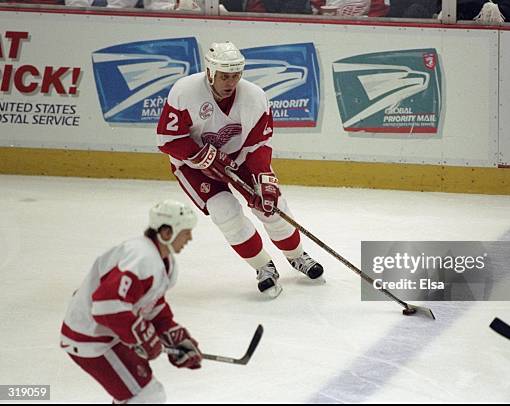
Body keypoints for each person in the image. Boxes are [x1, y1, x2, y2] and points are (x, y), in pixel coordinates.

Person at [156, 41, 324, 298]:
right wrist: (207, 157)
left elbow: (258, 144)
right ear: (210, 72)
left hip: (240, 157)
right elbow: (168, 140)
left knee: (271, 206)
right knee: (225, 212)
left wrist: (263, 180)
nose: (231, 82)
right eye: (224, 76)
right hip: (193, 165)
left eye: (236, 75)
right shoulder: (185, 91)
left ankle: (297, 256)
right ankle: (263, 267)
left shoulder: (255, 96)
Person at [60, 200, 202, 403]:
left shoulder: (162, 261)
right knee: (146, 396)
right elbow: (105, 306)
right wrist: (143, 336)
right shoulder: (141, 258)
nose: (190, 237)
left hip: (109, 335)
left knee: (138, 394)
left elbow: (151, 305)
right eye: (185, 231)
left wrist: (172, 334)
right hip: (90, 337)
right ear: (166, 232)